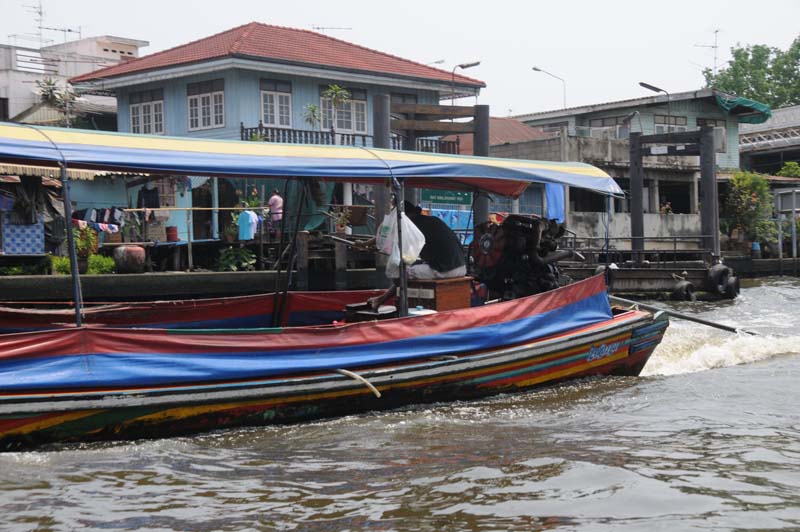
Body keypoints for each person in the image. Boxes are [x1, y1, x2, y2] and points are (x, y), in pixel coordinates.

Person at [357, 201, 466, 309]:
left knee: (400, 273)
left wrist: (364, 244)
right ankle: (381, 299)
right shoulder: (431, 220)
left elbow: (385, 237)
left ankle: (385, 302)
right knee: (406, 269)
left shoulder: (411, 224)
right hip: (461, 267)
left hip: (445, 269)